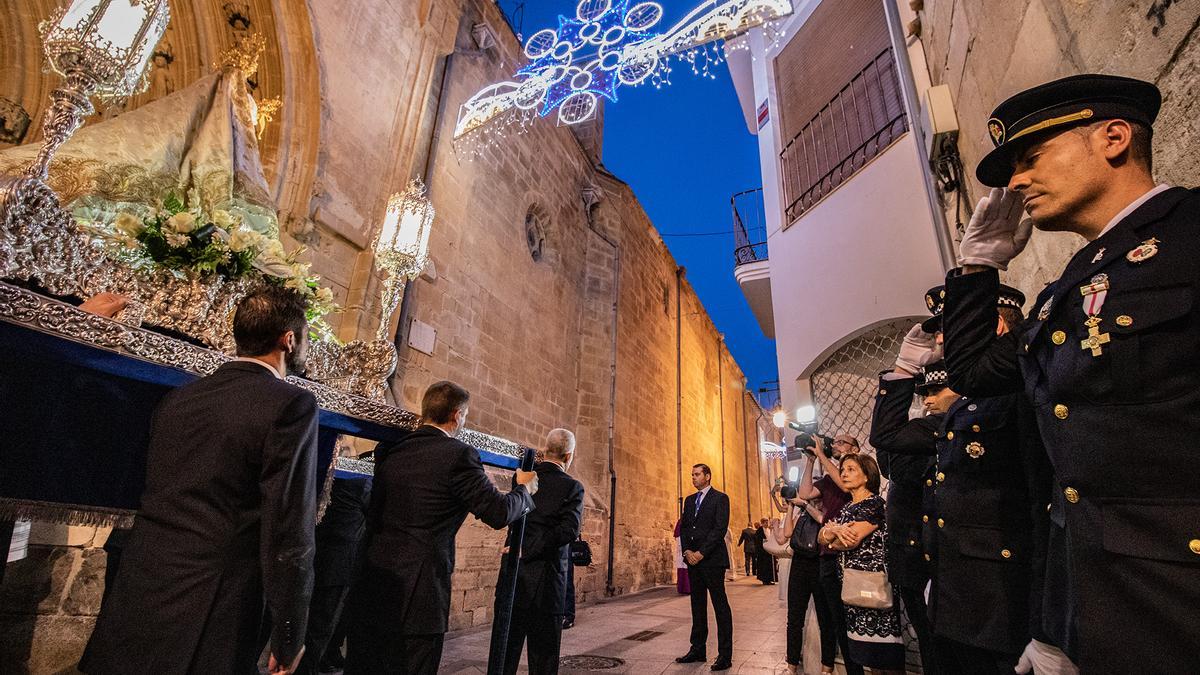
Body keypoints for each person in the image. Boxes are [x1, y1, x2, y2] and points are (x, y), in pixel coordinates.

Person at [942, 73, 1200, 672]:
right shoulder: (1067, 291)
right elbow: (976, 371)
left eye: (1032, 158)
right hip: (1102, 614)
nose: (1017, 181)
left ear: (1113, 138)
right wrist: (978, 267)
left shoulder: (1188, 234)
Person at [82, 285, 319, 675]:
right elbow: (289, 529)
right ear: (289, 340)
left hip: (142, 586)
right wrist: (290, 631)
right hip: (212, 602)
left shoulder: (180, 397)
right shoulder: (290, 404)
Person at [345, 381, 539, 675]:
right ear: (457, 415)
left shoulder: (391, 450)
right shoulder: (459, 455)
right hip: (419, 593)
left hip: (371, 583)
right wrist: (524, 491)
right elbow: (498, 512)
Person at [869, 328, 942, 675]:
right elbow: (888, 453)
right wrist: (902, 371)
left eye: (936, 391)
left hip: (949, 559)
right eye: (924, 392)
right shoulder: (926, 431)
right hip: (914, 557)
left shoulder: (955, 428)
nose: (928, 400)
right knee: (931, 644)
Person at [503, 429, 585, 675]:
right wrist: (530, 549)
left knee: (506, 649)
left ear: (547, 450)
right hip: (548, 581)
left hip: (514, 575)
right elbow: (569, 530)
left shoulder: (525, 478)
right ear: (568, 455)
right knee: (544, 656)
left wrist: (520, 548)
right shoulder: (573, 487)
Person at [817, 454, 905, 674]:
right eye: (842, 469)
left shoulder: (874, 504)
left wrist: (832, 532)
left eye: (851, 469)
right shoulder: (847, 508)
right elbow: (821, 537)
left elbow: (849, 541)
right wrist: (832, 532)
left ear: (867, 476)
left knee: (884, 657)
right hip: (851, 586)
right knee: (863, 653)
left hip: (873, 584)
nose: (844, 474)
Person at [295, 439, 373, 675]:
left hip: (314, 555)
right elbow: (373, 511)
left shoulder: (326, 478)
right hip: (339, 563)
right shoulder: (361, 483)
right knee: (321, 626)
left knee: (307, 622)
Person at [793, 435, 864, 675]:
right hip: (827, 554)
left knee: (850, 619)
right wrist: (811, 460)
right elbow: (804, 493)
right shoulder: (828, 478)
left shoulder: (858, 472)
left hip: (849, 554)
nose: (835, 445)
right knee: (835, 618)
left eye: (842, 443)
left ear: (855, 449)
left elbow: (845, 485)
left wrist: (823, 454)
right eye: (835, 443)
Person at [675, 463, 733, 671]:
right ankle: (697, 649)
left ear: (707, 476)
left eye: (697, 474)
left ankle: (725, 655)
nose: (693, 478)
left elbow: (719, 529)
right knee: (697, 606)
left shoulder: (720, 498)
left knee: (720, 607)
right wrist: (687, 551)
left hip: (712, 560)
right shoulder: (690, 501)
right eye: (692, 475)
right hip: (693, 561)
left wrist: (701, 553)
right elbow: (684, 527)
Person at [776, 477, 828, 675]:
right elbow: (787, 534)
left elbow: (823, 520)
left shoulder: (824, 509)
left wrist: (806, 503)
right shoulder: (802, 512)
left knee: (826, 619)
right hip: (799, 565)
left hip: (819, 564)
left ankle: (827, 667)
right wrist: (791, 505)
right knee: (794, 619)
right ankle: (791, 666)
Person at [752, 517, 775, 584]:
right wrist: (763, 541)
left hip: (768, 550)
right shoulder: (759, 530)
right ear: (762, 523)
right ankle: (765, 580)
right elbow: (757, 540)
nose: (767, 524)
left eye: (767, 522)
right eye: (765, 522)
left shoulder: (768, 529)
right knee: (764, 566)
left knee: (769, 565)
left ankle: (769, 579)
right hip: (762, 552)